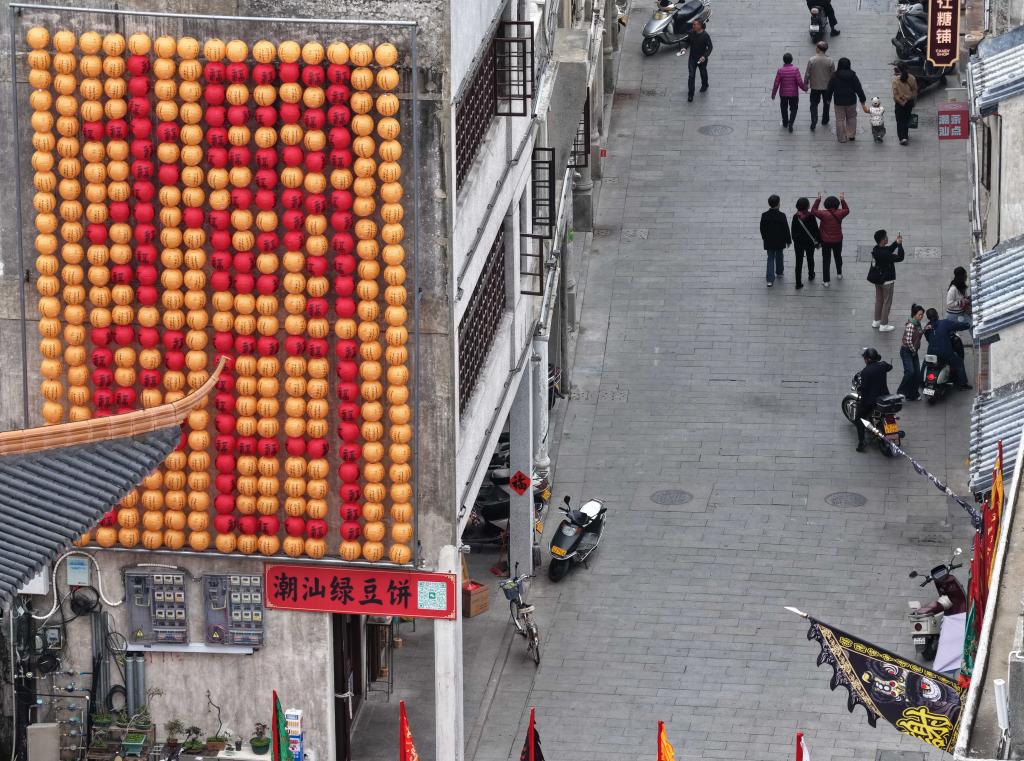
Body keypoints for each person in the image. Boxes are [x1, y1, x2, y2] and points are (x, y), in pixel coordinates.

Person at [924, 308, 973, 389]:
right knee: (958, 362)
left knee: (925, 363)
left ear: (928, 317)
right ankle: (962, 384)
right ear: (937, 315)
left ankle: (922, 382)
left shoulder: (927, 327)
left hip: (931, 352)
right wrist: (968, 325)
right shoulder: (944, 323)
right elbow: (958, 326)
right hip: (945, 353)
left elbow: (928, 339)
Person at [855, 347, 892, 452]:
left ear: (868, 359)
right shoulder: (883, 365)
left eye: (865, 358)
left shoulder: (865, 371)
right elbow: (890, 367)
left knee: (859, 418)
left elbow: (864, 388)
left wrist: (859, 388)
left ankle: (861, 443)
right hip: (884, 398)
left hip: (871, 401)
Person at [870, 229, 905, 331]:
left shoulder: (876, 249)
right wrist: (900, 245)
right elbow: (900, 257)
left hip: (877, 279)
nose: (887, 238)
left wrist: (896, 243)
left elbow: (888, 250)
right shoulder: (885, 254)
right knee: (887, 302)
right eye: (886, 237)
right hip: (887, 281)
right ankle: (884, 325)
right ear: (882, 240)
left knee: (879, 300)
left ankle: (876, 321)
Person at [811, 192, 849, 286]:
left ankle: (826, 281)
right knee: (838, 256)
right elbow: (847, 210)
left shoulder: (823, 214)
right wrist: (842, 200)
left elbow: (813, 210)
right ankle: (839, 273)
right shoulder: (840, 213)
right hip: (838, 240)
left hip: (825, 241)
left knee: (826, 260)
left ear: (826, 204)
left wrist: (818, 200)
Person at [827, 57, 868, 143]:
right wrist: (862, 99)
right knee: (852, 117)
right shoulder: (853, 76)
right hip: (851, 101)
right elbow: (858, 88)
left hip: (838, 101)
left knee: (840, 119)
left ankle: (842, 138)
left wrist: (828, 99)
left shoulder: (835, 76)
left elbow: (830, 88)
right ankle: (851, 135)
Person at [760, 194, 791, 287]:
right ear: (778, 204)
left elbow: (762, 229)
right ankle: (779, 272)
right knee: (779, 255)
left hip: (769, 241)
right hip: (780, 241)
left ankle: (770, 280)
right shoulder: (782, 215)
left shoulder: (764, 215)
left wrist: (764, 238)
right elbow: (786, 229)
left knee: (770, 258)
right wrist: (788, 240)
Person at [772, 52, 808, 132]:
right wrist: (804, 88)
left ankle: (785, 123)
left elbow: (776, 83)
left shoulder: (780, 70)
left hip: (783, 94)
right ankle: (791, 123)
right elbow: (799, 82)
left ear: (783, 60)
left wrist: (773, 94)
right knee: (794, 108)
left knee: (783, 108)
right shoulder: (795, 70)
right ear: (791, 60)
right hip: (793, 94)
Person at [678, 19, 712, 102]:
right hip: (692, 58)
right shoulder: (691, 33)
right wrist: (684, 48)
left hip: (701, 59)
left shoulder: (705, 35)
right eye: (693, 24)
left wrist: (704, 56)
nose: (693, 26)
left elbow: (710, 47)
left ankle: (705, 85)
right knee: (691, 76)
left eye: (694, 25)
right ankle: (690, 94)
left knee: (703, 72)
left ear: (699, 26)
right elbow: (687, 42)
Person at [804, 41, 835, 131]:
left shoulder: (812, 60)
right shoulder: (830, 61)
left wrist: (805, 84)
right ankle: (825, 120)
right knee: (826, 104)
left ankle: (814, 120)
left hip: (815, 87)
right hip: (826, 88)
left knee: (813, 104)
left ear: (818, 49)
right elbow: (833, 75)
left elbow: (807, 74)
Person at [898, 305, 925, 401]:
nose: (921, 317)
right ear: (914, 314)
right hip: (907, 351)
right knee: (910, 371)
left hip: (913, 351)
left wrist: (926, 329)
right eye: (920, 315)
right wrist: (914, 351)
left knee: (917, 373)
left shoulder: (917, 324)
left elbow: (919, 333)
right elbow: (908, 341)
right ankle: (901, 392)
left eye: (922, 315)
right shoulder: (911, 325)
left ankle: (912, 394)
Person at [791, 197, 820, 289]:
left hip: (798, 244)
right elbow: (816, 230)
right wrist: (817, 241)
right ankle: (811, 275)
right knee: (810, 258)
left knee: (798, 262)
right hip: (809, 243)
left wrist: (796, 241)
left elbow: (793, 232)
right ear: (808, 206)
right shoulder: (811, 216)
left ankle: (798, 283)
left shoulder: (796, 216)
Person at [892, 62, 919, 146]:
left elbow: (895, 94)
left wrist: (901, 102)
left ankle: (902, 138)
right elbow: (915, 91)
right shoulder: (912, 78)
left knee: (900, 120)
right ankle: (905, 136)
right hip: (909, 102)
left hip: (900, 103)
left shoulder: (895, 80)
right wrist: (913, 101)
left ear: (899, 70)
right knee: (906, 118)